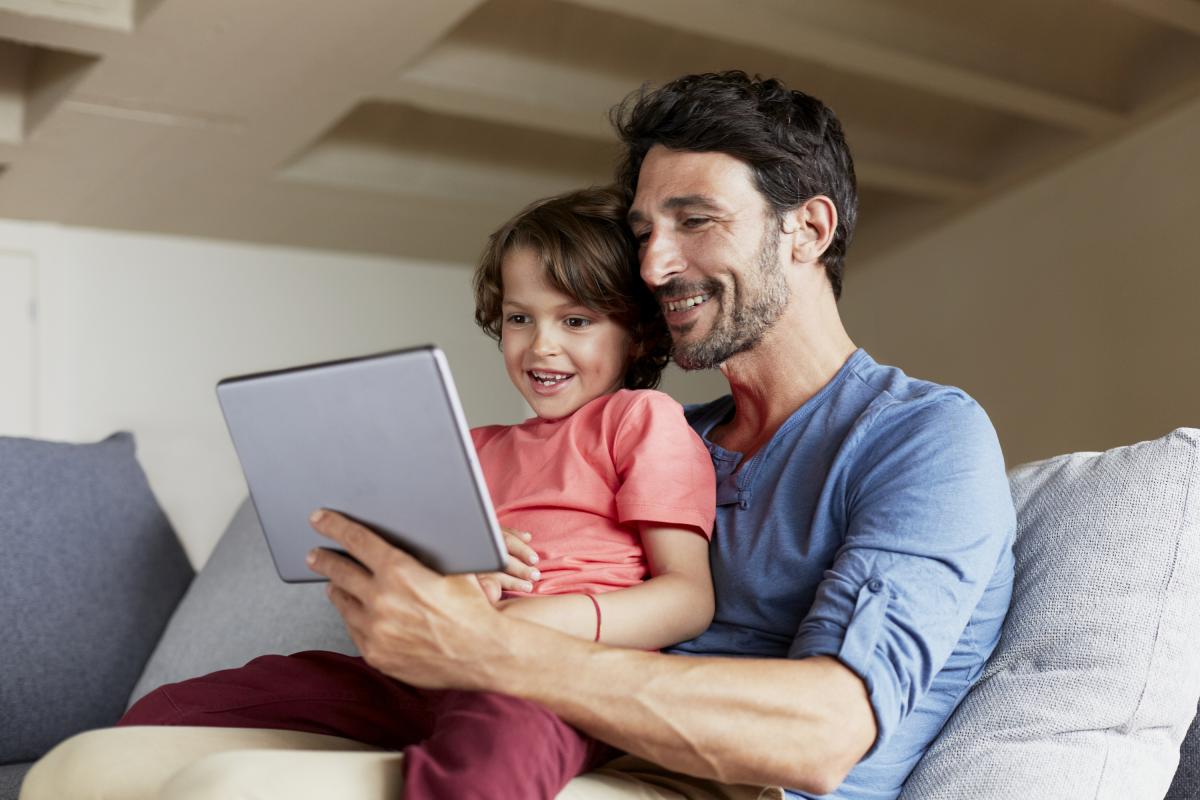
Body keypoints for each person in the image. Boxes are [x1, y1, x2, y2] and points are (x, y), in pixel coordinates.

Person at [24, 71, 1016, 800]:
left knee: (226, 793)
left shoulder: (920, 435)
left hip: (720, 782)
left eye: (697, 220)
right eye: (642, 229)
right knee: (79, 770)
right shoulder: (671, 430)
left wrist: (488, 646)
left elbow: (822, 733)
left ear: (806, 230)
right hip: (572, 730)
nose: (658, 261)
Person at [20, 187, 717, 800]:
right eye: (518, 318)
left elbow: (687, 600)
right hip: (425, 666)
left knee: (490, 758)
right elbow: (416, 587)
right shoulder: (469, 445)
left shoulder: (639, 421)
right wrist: (452, 575)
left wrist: (532, 626)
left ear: (639, 333)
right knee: (174, 707)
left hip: (551, 675)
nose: (541, 347)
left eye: (576, 321)